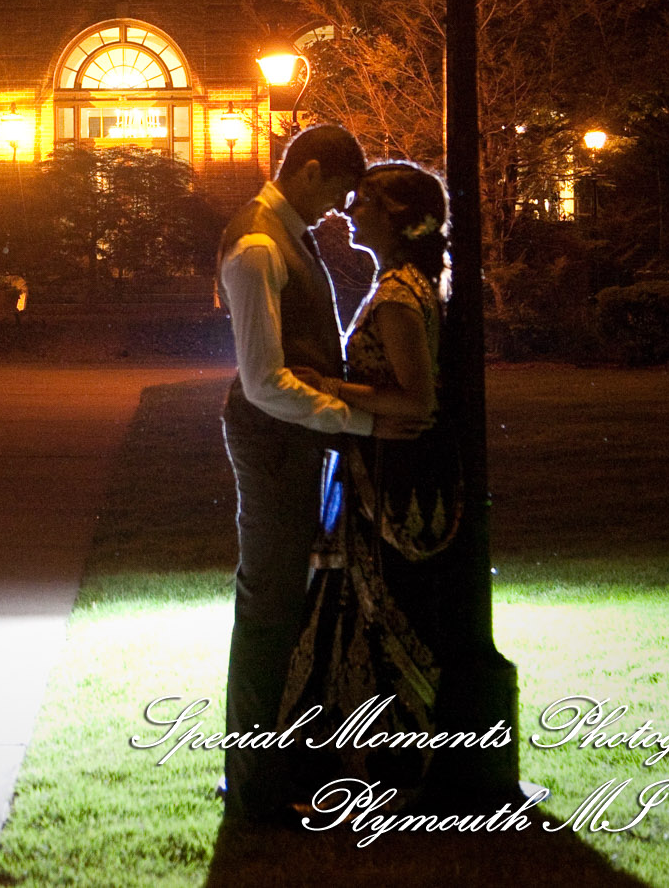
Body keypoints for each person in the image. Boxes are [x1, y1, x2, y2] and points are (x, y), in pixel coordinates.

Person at [217, 127, 433, 826]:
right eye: (342, 190)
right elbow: (264, 384)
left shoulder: (289, 231)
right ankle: (252, 787)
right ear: (310, 173)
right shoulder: (257, 245)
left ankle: (278, 769)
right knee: (269, 606)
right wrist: (362, 422)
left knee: (289, 603)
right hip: (275, 441)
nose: (344, 208)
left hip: (300, 442)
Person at [279, 160, 461, 796]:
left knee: (375, 615)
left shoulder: (395, 298)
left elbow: (417, 400)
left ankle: (380, 770)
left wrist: (324, 386)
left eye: (365, 203)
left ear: (401, 218)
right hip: (372, 473)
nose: (349, 211)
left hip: (388, 480)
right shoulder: (404, 285)